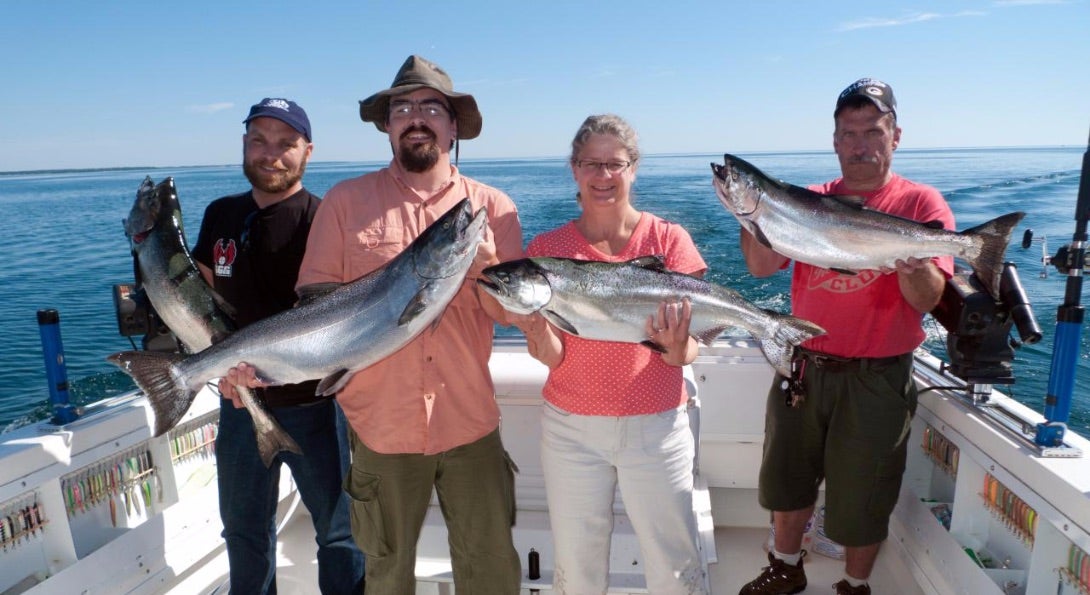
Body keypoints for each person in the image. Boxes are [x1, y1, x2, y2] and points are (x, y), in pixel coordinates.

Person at [294, 56, 523, 594]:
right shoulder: (346, 203)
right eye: (403, 107)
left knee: (491, 569)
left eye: (431, 107)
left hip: (470, 424)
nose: (416, 116)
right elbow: (314, 303)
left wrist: (490, 271)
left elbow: (513, 315)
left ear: (453, 125)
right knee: (385, 573)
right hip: (380, 429)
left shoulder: (493, 207)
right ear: (388, 124)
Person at [736, 79, 955, 595]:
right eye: (848, 133)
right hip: (804, 367)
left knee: (865, 491)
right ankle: (786, 566)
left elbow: (927, 299)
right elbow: (761, 267)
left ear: (895, 136)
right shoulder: (807, 201)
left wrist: (915, 266)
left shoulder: (921, 204)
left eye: (872, 131)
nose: (860, 144)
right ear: (834, 141)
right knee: (787, 479)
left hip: (878, 375)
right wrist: (751, 214)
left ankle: (855, 585)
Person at [512, 114, 709, 594]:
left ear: (633, 168)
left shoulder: (669, 240)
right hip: (571, 431)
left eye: (614, 164)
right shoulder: (547, 250)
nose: (603, 176)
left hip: (657, 425)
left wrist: (677, 343)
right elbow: (555, 356)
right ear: (574, 169)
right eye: (591, 164)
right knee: (576, 566)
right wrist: (535, 331)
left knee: (675, 563)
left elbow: (689, 352)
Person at [192, 98, 365, 594]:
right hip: (238, 404)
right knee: (243, 532)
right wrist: (220, 368)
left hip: (316, 406)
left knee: (338, 534)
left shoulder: (326, 218)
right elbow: (202, 304)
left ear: (308, 151)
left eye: (286, 144)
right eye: (259, 141)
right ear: (244, 146)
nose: (271, 155)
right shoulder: (220, 215)